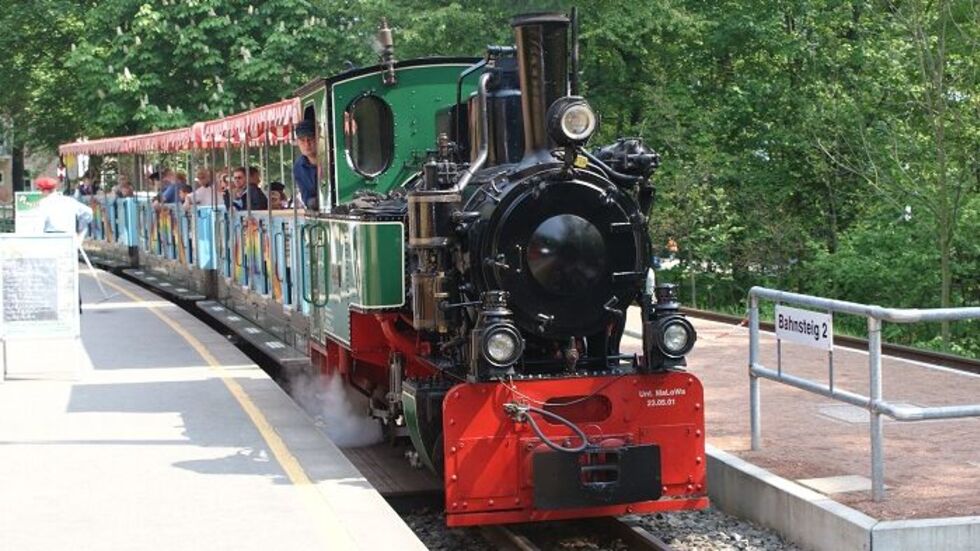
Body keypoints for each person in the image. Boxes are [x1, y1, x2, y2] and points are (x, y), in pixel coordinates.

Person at [35, 176, 94, 313]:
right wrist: (80, 231)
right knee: (70, 272)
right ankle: (75, 305)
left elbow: (38, 226)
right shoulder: (69, 201)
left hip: (51, 240)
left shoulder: (43, 204)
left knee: (52, 273)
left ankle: (55, 305)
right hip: (69, 240)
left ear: (44, 191)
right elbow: (89, 214)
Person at [292, 119, 318, 210]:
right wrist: (313, 202)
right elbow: (306, 197)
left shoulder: (333, 160)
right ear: (297, 142)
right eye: (302, 140)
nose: (307, 144)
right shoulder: (298, 168)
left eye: (310, 139)